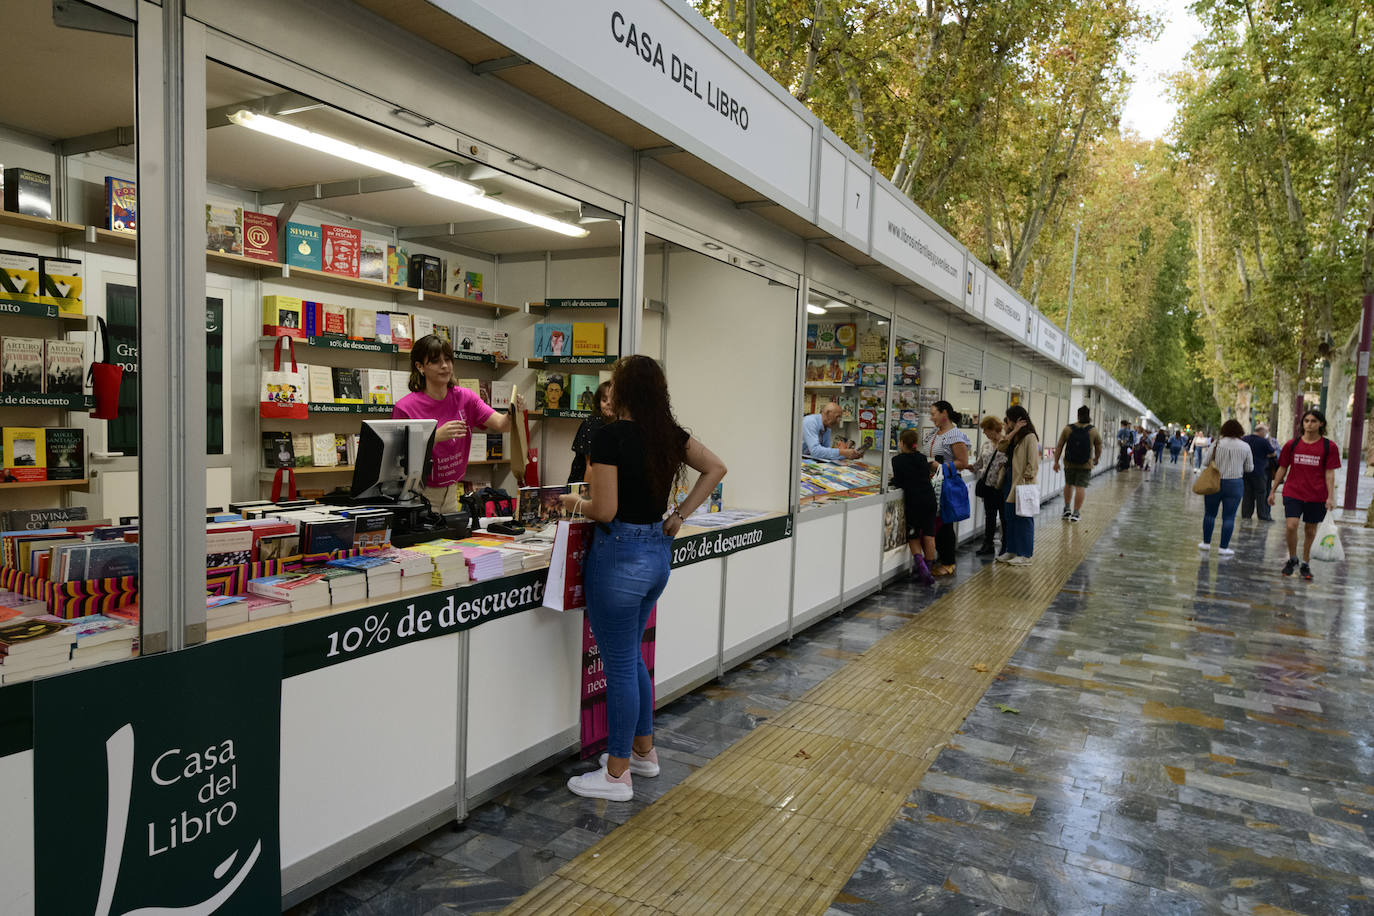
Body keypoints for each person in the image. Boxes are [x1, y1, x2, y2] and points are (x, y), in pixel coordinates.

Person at [561, 355, 727, 801]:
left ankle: (616, 775)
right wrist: (679, 515)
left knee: (618, 665)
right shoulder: (669, 435)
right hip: (656, 555)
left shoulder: (609, 436)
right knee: (632, 658)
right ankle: (643, 753)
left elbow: (605, 510)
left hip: (618, 559)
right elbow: (716, 467)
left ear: (625, 390)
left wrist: (569, 503)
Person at [392, 334, 525, 513]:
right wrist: (434, 437)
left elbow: (503, 425)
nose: (445, 366)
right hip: (418, 493)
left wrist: (513, 413)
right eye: (436, 361)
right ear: (420, 367)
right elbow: (397, 460)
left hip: (451, 491)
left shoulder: (466, 397)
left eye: (448, 359)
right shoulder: (405, 407)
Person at [1269, 407, 1341, 581]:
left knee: (1310, 529)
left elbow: (1330, 473)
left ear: (1321, 424)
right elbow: (1282, 468)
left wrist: (1330, 497)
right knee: (1291, 525)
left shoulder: (1329, 446)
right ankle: (1292, 558)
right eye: (1306, 421)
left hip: (1317, 494)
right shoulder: (1292, 444)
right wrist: (1273, 490)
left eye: (1313, 421)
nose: (1309, 424)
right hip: (1293, 491)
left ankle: (1305, 563)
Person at [925, 400, 971, 577]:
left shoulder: (955, 435)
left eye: (933, 414)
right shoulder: (934, 433)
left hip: (945, 485)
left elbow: (963, 462)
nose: (931, 418)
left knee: (945, 523)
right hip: (932, 482)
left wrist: (941, 467)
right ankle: (941, 558)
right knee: (935, 523)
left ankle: (948, 562)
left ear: (944, 413)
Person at [888, 428, 938, 585]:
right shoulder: (922, 458)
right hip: (929, 499)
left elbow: (899, 482)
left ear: (902, 443)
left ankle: (922, 569)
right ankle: (928, 568)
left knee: (913, 535)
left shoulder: (897, 460)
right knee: (929, 535)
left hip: (913, 501)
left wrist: (892, 481)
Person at [1198, 419, 1253, 556]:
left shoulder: (1216, 444)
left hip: (1214, 482)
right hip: (1235, 484)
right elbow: (1249, 468)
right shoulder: (1245, 446)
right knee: (1229, 517)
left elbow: (1205, 462)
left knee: (1210, 514)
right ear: (1240, 431)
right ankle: (1223, 547)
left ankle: (1206, 543)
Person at [997, 405, 1040, 567]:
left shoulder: (1030, 437)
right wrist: (1014, 431)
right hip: (1009, 480)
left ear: (1015, 419)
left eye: (1008, 420)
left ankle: (1025, 554)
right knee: (1010, 517)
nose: (1006, 423)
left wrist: (1026, 478)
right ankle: (1012, 550)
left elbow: (1033, 463)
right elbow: (1001, 447)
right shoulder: (1015, 437)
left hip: (1022, 483)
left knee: (1023, 518)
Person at [1053, 406, 1103, 522]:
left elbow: (1059, 446)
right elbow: (1099, 446)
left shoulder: (1068, 429)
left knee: (1068, 484)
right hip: (1085, 464)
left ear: (1078, 415)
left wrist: (1056, 462)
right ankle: (1076, 513)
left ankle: (1067, 509)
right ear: (1088, 415)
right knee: (1080, 487)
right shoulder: (1093, 430)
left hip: (1069, 463)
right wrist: (1096, 459)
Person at [970, 415, 1008, 555]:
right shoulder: (986, 444)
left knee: (1004, 517)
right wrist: (965, 467)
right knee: (990, 516)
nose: (984, 432)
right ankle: (988, 544)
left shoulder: (1007, 443)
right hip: (988, 486)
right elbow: (980, 463)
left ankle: (1006, 544)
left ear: (993, 429)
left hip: (1002, 486)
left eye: (986, 429)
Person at [568, 380, 614, 483]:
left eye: (613, 399)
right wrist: (585, 491)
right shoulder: (592, 424)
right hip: (584, 481)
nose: (609, 403)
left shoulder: (619, 423)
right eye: (604, 400)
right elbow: (590, 466)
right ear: (598, 403)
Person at [1239, 422, 1276, 522]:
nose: (1266, 434)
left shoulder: (1245, 439)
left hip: (1246, 471)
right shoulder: (1263, 441)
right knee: (1261, 494)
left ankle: (1246, 514)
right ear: (1261, 431)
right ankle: (1263, 515)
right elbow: (1273, 453)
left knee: (1247, 494)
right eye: (1266, 432)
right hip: (1260, 471)